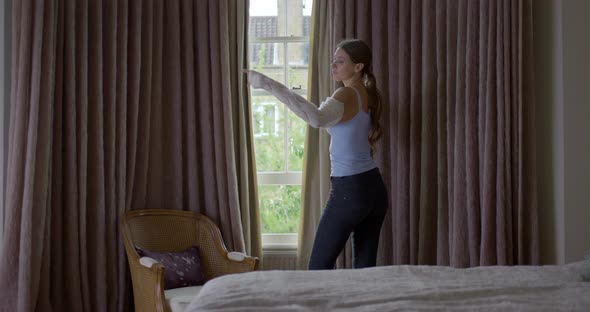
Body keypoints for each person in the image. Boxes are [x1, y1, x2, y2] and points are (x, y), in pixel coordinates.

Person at [244, 39, 388, 270]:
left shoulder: (347, 94)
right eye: (333, 61)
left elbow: (316, 118)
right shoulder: (366, 93)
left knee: (317, 269)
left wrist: (266, 83)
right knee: (365, 271)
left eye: (340, 62)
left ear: (358, 67)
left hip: (350, 190)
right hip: (374, 189)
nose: (333, 66)